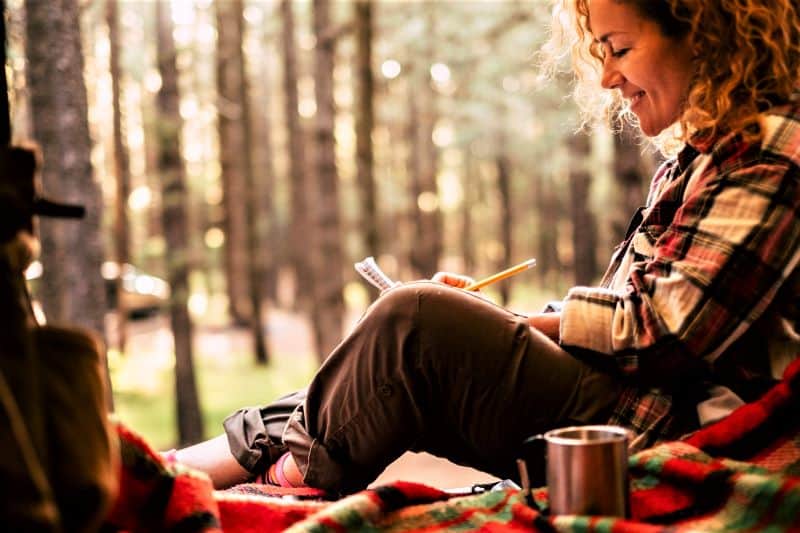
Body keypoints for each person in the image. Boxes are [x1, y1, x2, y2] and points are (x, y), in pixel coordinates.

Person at [171, 0, 800, 496]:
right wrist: (505, 323)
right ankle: (190, 468)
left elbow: (665, 333)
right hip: (629, 403)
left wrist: (513, 324)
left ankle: (284, 483)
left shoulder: (770, 152)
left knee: (414, 322)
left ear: (704, 31)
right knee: (389, 344)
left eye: (620, 48)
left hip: (656, 432)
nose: (609, 76)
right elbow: (635, 312)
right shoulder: (704, 158)